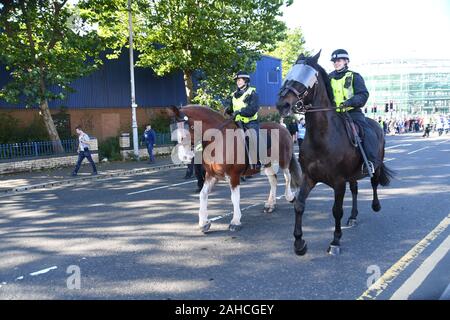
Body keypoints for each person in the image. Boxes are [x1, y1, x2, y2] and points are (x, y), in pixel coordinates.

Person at [329, 49, 379, 174]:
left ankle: (370, 162)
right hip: (333, 114)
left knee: (367, 132)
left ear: (346, 61)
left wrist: (349, 103)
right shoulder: (328, 78)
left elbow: (363, 94)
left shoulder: (354, 76)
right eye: (334, 61)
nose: (336, 63)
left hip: (352, 112)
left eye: (339, 60)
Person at [224, 71, 261, 170]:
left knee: (252, 138)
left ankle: (256, 161)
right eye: (237, 80)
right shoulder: (234, 94)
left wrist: (240, 112)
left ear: (246, 81)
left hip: (250, 122)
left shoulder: (253, 93)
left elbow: (253, 109)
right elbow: (232, 108)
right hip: (236, 122)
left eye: (240, 80)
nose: (238, 82)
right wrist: (228, 109)